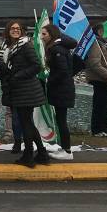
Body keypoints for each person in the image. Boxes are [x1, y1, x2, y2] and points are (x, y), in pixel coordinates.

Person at [0, 20, 49, 168]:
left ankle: (28, 155)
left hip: (27, 90)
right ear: (8, 31)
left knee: (25, 123)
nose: (15, 30)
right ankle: (41, 153)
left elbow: (36, 66)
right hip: (16, 90)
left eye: (18, 28)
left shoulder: (26, 45)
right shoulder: (5, 47)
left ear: (22, 31)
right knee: (27, 123)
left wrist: (18, 76)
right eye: (12, 28)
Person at [42, 23, 75, 160]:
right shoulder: (58, 48)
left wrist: (50, 80)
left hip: (62, 90)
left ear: (51, 35)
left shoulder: (57, 50)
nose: (42, 37)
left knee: (61, 120)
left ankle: (67, 151)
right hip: (63, 89)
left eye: (44, 34)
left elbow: (62, 71)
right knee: (60, 119)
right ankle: (64, 148)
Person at [85, 24, 107, 136]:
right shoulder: (95, 43)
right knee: (100, 104)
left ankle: (105, 128)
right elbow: (94, 64)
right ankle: (97, 129)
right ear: (99, 31)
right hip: (100, 79)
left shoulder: (103, 43)